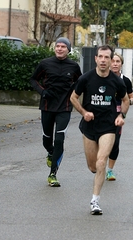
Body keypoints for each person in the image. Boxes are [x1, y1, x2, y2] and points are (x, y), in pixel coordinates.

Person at [70, 45, 129, 215]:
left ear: (111, 61)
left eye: (107, 57)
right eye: (100, 57)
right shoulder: (86, 79)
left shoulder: (117, 81)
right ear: (96, 59)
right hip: (89, 127)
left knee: (101, 161)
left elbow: (125, 100)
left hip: (108, 127)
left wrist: (121, 116)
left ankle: (95, 200)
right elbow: (73, 97)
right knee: (93, 166)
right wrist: (83, 112)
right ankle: (98, 173)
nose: (103, 60)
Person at [30, 37, 82, 187]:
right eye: (57, 46)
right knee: (47, 139)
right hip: (47, 106)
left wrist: (73, 92)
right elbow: (33, 79)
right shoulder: (45, 64)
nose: (60, 49)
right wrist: (42, 91)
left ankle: (53, 174)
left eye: (63, 47)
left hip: (64, 107)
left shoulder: (73, 66)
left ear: (68, 50)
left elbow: (80, 81)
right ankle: (51, 152)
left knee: (59, 139)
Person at [106, 52, 133, 181]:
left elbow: (131, 96)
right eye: (113, 61)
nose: (115, 64)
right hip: (103, 112)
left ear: (121, 64)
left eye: (118, 61)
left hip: (118, 113)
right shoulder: (103, 77)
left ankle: (110, 171)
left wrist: (132, 100)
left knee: (115, 142)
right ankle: (100, 164)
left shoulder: (125, 80)